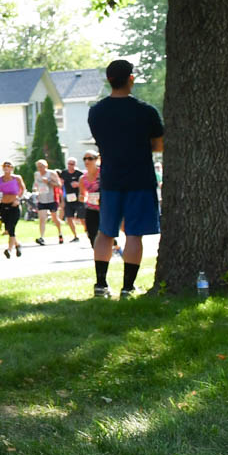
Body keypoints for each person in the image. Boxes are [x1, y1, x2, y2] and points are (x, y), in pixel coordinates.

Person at [86, 59, 164, 298]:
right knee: (134, 234)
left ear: (109, 80)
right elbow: (159, 145)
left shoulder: (96, 112)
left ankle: (101, 285)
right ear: (131, 78)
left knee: (105, 233)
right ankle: (128, 287)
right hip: (140, 179)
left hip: (110, 179)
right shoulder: (146, 111)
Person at [0, 161, 26, 259]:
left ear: (12, 168)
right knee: (8, 228)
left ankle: (9, 250)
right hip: (3, 205)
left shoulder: (17, 178)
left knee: (12, 227)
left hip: (14, 205)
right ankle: (17, 245)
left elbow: (23, 189)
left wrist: (18, 199)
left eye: (8, 166)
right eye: (4, 166)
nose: (6, 168)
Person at [31, 159, 64, 245]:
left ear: (46, 166)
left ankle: (60, 234)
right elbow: (35, 184)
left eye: (41, 166)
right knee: (42, 218)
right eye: (38, 166)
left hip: (52, 199)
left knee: (54, 218)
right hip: (42, 199)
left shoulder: (51, 173)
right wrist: (35, 188)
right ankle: (42, 237)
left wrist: (49, 182)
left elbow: (59, 185)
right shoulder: (36, 174)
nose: (40, 168)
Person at [79, 152, 102, 256]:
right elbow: (82, 194)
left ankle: (112, 247)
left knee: (104, 232)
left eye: (90, 158)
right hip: (91, 208)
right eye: (85, 159)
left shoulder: (102, 173)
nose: (87, 161)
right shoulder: (83, 178)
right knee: (91, 233)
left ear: (96, 159)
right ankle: (98, 254)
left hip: (105, 208)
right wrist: (81, 198)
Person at [58, 157, 84, 242]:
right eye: (69, 164)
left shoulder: (79, 174)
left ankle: (89, 233)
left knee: (82, 218)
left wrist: (78, 184)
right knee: (69, 217)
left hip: (78, 198)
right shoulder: (64, 173)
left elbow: (85, 185)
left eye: (72, 164)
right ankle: (75, 236)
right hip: (68, 198)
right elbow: (61, 186)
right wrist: (62, 200)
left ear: (75, 165)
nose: (70, 166)